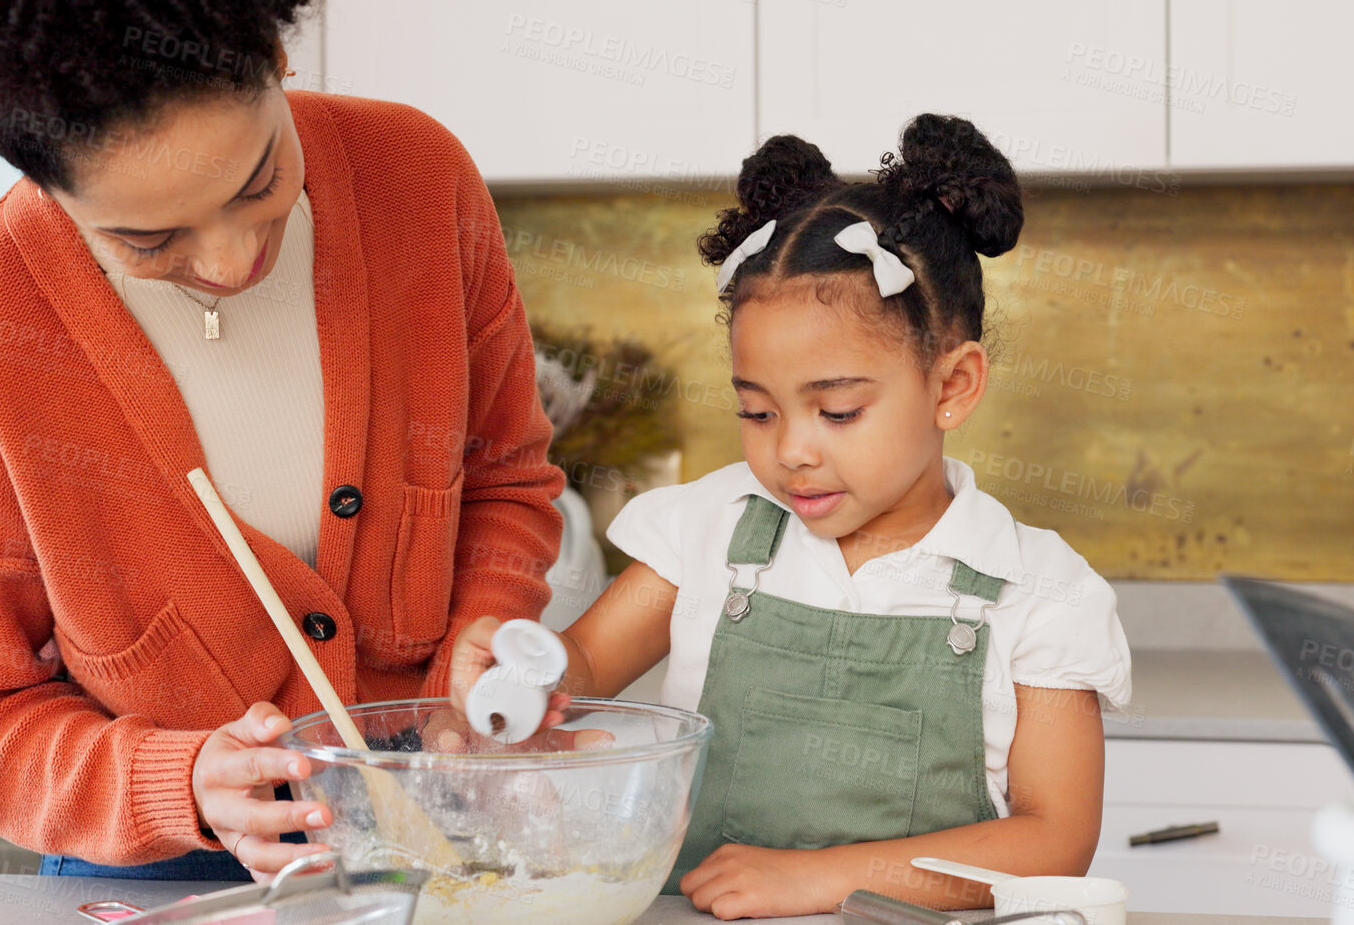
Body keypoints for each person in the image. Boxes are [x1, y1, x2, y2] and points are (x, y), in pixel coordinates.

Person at [0, 0, 562, 881]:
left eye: (258, 181)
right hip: (159, 869)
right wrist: (179, 783)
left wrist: (482, 630)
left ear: (276, 52)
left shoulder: (419, 184)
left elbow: (504, 478)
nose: (233, 259)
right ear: (38, 178)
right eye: (148, 241)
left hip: (441, 827)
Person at [451, 114, 1132, 918]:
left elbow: (1054, 838)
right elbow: (586, 663)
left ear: (952, 386)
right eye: (757, 412)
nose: (791, 452)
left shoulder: (1038, 590)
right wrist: (521, 671)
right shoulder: (712, 525)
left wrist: (817, 876)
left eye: (836, 411)